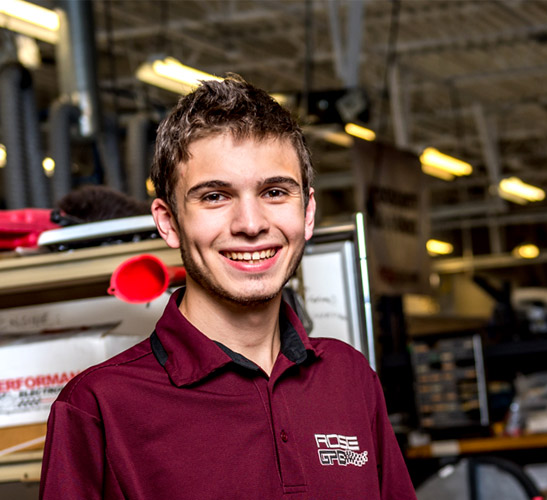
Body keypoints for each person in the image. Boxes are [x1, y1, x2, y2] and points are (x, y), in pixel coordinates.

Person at [40, 75, 416, 500]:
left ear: (308, 213)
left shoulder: (349, 379)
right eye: (215, 197)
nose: (251, 225)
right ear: (168, 222)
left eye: (275, 192)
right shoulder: (98, 407)